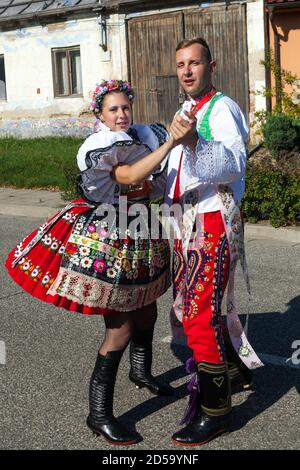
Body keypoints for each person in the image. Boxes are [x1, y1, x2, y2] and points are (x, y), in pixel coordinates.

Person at [5, 79, 180, 446]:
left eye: (125, 108)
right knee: (119, 328)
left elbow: (152, 185)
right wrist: (169, 145)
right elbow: (131, 176)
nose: (121, 115)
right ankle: (98, 414)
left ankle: (141, 372)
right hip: (108, 238)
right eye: (113, 109)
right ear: (100, 114)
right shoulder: (102, 146)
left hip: (139, 231)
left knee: (147, 310)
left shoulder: (142, 137)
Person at [163, 38, 264, 446]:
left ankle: (216, 413)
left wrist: (191, 142)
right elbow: (176, 167)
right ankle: (236, 369)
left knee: (198, 311)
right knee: (197, 304)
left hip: (211, 219)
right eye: (181, 65)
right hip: (185, 220)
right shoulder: (187, 109)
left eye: (195, 63)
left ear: (212, 65)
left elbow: (234, 162)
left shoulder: (221, 107)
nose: (187, 71)